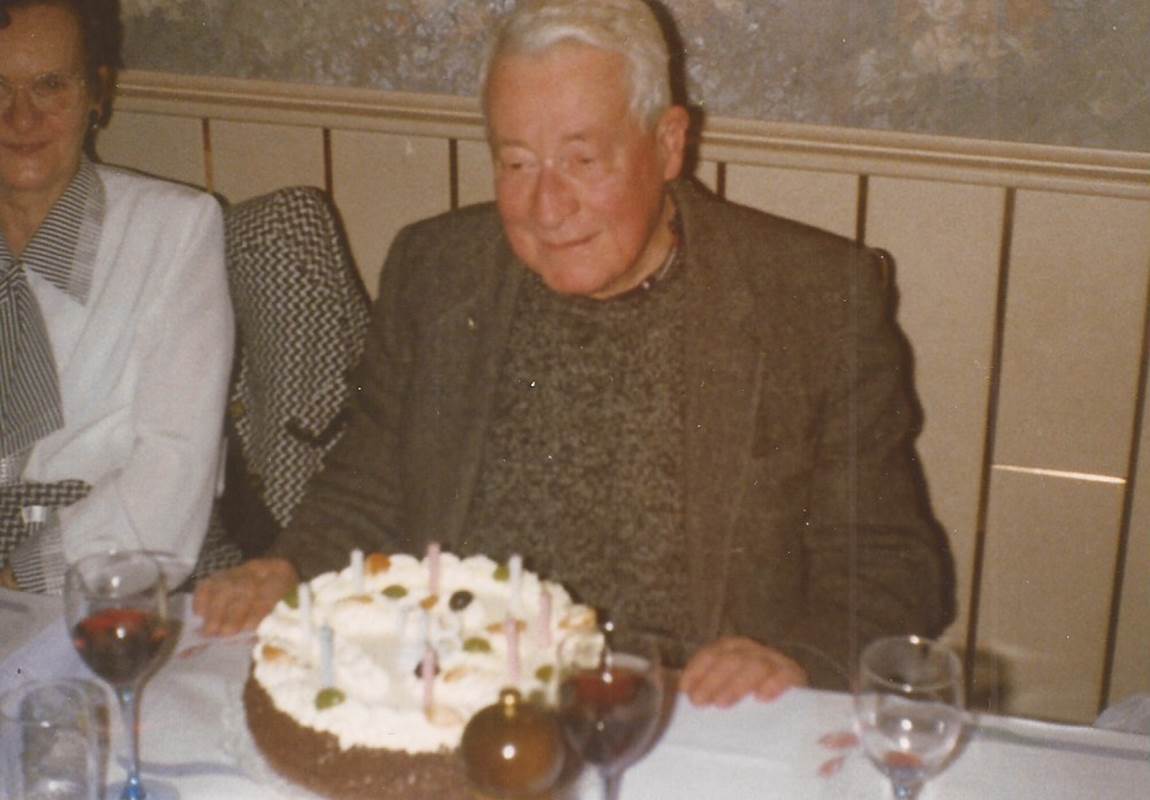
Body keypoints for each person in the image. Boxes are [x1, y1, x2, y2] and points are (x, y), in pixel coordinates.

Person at [195, 0, 954, 706]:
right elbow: (370, 481)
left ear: (667, 144)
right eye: (517, 162)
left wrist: (796, 656)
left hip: (683, 715)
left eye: (582, 161)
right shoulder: (437, 270)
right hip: (460, 699)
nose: (545, 208)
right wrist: (287, 565)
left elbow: (892, 565)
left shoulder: (810, 299)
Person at [0, 0, 233, 592]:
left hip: (110, 564)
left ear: (97, 93)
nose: (19, 118)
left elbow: (173, 469)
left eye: (50, 85)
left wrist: (21, 578)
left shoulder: (175, 230)